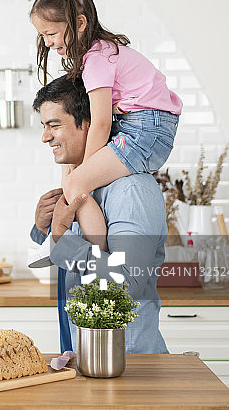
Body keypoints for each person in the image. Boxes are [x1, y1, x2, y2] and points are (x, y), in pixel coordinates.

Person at [30, 0, 182, 250]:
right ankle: (85, 248)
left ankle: (99, 252)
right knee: (73, 178)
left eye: (51, 33)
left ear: (79, 23)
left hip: (145, 128)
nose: (48, 42)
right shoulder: (101, 53)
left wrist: (84, 172)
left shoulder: (96, 61)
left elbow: (100, 123)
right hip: (147, 125)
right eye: (43, 36)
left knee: (77, 182)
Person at [30, 76, 168, 354]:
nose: (45, 137)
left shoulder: (131, 191)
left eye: (54, 125)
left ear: (89, 125)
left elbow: (127, 283)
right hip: (87, 357)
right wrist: (42, 227)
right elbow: (63, 261)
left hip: (129, 366)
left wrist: (60, 233)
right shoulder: (80, 185)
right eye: (44, 126)